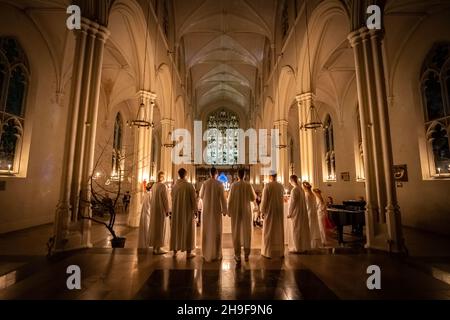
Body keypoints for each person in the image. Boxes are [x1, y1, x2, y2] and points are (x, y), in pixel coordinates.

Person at [227, 168, 256, 263]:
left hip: (236, 211)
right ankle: (247, 255)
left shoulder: (234, 185)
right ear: (244, 175)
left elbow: (230, 199)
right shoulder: (248, 185)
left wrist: (229, 211)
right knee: (247, 231)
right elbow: (252, 198)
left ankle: (237, 255)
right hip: (246, 211)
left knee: (236, 231)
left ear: (237, 175)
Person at [199, 167, 227, 262]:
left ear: (210, 173)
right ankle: (216, 253)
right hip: (216, 210)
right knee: (216, 230)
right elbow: (223, 199)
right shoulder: (219, 184)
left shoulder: (205, 183)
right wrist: (224, 211)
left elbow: (201, 196)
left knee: (207, 230)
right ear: (216, 174)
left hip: (206, 210)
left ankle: (206, 252)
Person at [170, 168, 198, 259]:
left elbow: (172, 198)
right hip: (187, 212)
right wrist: (196, 211)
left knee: (176, 230)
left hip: (177, 212)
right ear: (186, 175)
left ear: (179, 175)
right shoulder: (189, 186)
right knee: (188, 230)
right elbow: (194, 200)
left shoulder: (174, 186)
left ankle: (174, 251)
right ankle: (188, 253)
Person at [260, 171, 285, 259]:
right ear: (276, 176)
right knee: (278, 230)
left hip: (270, 212)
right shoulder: (281, 186)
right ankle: (279, 251)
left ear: (270, 176)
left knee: (269, 231)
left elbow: (264, 201)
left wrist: (262, 212)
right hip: (279, 212)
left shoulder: (267, 186)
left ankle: (268, 252)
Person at [287, 175, 311, 253]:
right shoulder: (301, 189)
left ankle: (297, 248)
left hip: (296, 212)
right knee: (302, 230)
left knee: (296, 230)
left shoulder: (294, 190)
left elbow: (293, 203)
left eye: (290, 180)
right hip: (302, 212)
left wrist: (289, 213)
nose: (289, 182)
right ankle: (303, 247)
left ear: (292, 180)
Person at [149, 171, 170, 255]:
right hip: (161, 209)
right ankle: (158, 248)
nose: (164, 178)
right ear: (161, 177)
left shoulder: (154, 185)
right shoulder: (163, 186)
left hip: (154, 209)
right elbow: (165, 199)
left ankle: (155, 247)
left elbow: (151, 198)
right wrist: (167, 210)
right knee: (160, 228)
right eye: (163, 176)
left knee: (155, 227)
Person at [302, 182, 321, 249]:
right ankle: (313, 238)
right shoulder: (313, 194)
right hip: (314, 211)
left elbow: (305, 204)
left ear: (304, 188)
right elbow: (315, 203)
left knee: (309, 225)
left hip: (309, 211)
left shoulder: (306, 195)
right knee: (314, 224)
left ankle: (309, 239)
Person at [138, 183, 153, 248]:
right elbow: (152, 203)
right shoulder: (150, 194)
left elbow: (142, 202)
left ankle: (144, 241)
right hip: (148, 211)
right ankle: (147, 241)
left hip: (144, 211)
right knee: (147, 226)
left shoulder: (145, 194)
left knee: (144, 226)